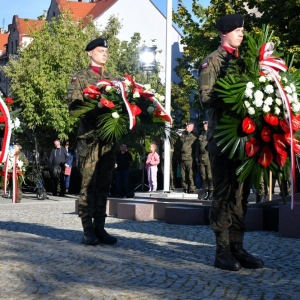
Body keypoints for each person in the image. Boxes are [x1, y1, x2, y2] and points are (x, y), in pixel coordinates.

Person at [198, 14, 264, 271]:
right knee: (224, 195)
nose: (241, 34)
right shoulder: (211, 62)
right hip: (223, 139)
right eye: (237, 30)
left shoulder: (245, 62)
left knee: (241, 195)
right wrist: (234, 96)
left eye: (242, 30)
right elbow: (205, 98)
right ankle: (222, 250)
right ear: (224, 33)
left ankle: (237, 245)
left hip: (245, 138)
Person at [66, 37, 117, 245]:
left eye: (106, 50)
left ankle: (100, 227)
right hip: (90, 139)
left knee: (104, 185)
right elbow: (74, 108)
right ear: (89, 53)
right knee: (88, 185)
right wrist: (96, 107)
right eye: (99, 50)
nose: (104, 53)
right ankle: (88, 229)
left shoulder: (114, 80)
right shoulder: (80, 78)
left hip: (109, 140)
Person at [179, 121, 198, 193]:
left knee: (191, 174)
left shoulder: (194, 137)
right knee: (183, 175)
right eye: (186, 126)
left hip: (190, 158)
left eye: (188, 126)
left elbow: (196, 148)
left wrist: (196, 158)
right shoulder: (183, 136)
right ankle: (185, 188)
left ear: (192, 127)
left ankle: (192, 188)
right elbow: (179, 147)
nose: (186, 127)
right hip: (183, 158)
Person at [198, 120, 213, 200]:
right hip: (202, 158)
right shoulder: (201, 135)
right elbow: (198, 148)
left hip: (209, 158)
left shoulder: (211, 134)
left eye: (206, 125)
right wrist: (197, 157)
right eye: (204, 125)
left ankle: (211, 192)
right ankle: (206, 192)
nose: (205, 126)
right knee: (203, 176)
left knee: (210, 176)